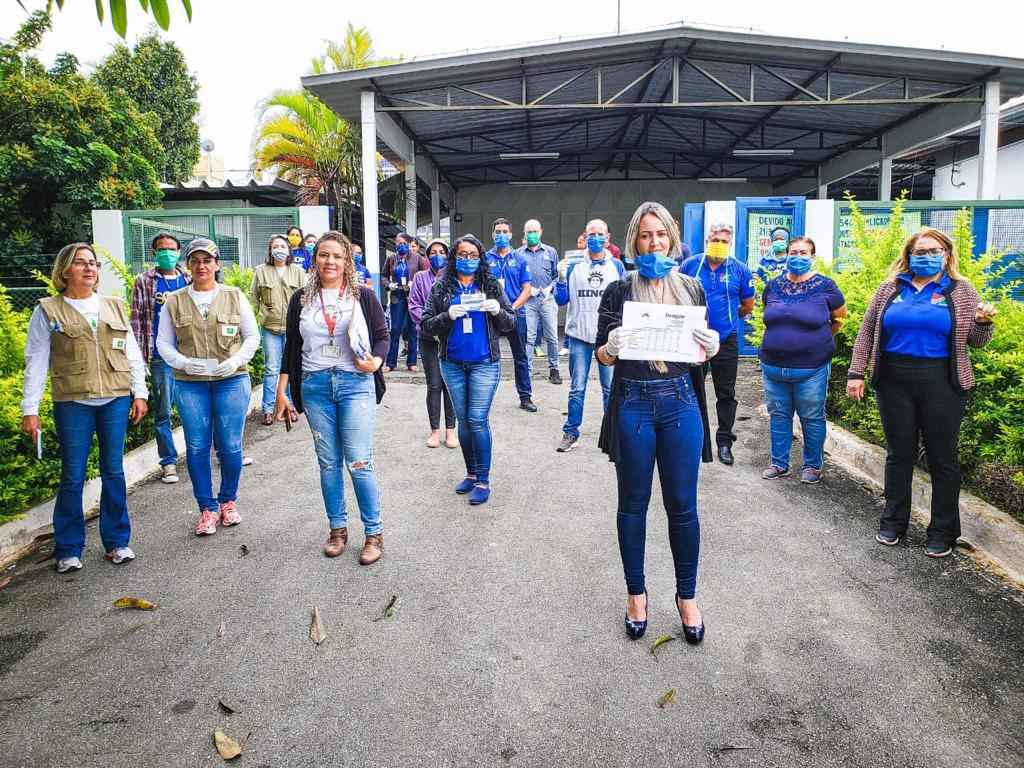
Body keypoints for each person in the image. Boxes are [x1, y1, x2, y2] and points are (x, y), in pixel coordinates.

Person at [594, 201, 720, 644]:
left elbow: (703, 355)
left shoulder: (691, 288)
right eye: (646, 236)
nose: (654, 243)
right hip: (633, 403)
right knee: (632, 503)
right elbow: (602, 354)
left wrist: (713, 346)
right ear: (634, 241)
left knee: (683, 505)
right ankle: (636, 594)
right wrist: (611, 345)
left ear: (672, 238)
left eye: (660, 235)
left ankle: (687, 596)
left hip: (681, 404)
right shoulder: (618, 291)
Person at [847, 228, 996, 558]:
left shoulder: (961, 290)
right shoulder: (890, 288)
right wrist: (856, 373)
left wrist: (983, 323)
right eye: (920, 250)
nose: (926, 256)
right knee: (899, 454)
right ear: (908, 254)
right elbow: (867, 332)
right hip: (894, 380)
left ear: (946, 254)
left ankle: (943, 530)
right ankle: (893, 522)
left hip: (942, 381)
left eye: (934, 250)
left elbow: (976, 341)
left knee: (942, 457)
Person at [22, 243, 149, 573]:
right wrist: (29, 409)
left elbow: (131, 353)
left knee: (114, 471)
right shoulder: (48, 310)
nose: (89, 269)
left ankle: (118, 542)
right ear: (65, 271)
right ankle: (68, 548)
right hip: (73, 401)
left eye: (93, 264)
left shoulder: (114, 306)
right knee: (73, 475)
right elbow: (36, 361)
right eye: (80, 263)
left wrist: (140, 392)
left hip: (115, 399)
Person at [276, 231, 389, 563]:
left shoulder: (363, 296)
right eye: (324, 255)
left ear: (347, 262)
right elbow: (291, 349)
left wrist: (377, 361)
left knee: (358, 461)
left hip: (355, 383)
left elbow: (382, 336)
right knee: (328, 464)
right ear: (315, 259)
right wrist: (282, 391)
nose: (330, 262)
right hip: (315, 386)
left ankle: (374, 534)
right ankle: (337, 530)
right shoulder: (301, 299)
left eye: (337, 256)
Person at [157, 238, 260, 537]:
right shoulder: (174, 300)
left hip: (231, 379)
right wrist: (183, 362)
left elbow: (251, 336)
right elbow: (163, 342)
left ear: (217, 264)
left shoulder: (234, 295)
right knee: (197, 446)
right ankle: (207, 508)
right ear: (187, 265)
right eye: (195, 261)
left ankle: (227, 501)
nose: (201, 266)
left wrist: (237, 359)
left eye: (207, 260)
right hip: (191, 384)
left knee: (230, 446)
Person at [422, 234, 516, 506]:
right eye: (462, 255)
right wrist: (446, 316)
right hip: (452, 363)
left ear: (480, 258)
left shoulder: (490, 285)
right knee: (463, 420)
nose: (467, 260)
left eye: (473, 255)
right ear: (454, 258)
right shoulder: (442, 287)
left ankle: (484, 480)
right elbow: (426, 325)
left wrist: (497, 310)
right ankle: (472, 473)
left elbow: (511, 323)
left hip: (485, 364)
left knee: (476, 419)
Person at [759, 236, 847, 484]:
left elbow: (839, 318)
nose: (798, 257)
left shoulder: (826, 286)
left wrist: (817, 340)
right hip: (773, 367)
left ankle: (812, 465)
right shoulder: (773, 286)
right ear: (786, 255)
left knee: (811, 417)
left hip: (812, 368)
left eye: (803, 253)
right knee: (778, 415)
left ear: (813, 257)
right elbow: (769, 314)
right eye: (793, 252)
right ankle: (779, 463)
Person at [679, 223, 755, 466]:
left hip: (726, 339)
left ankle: (724, 442)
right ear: (707, 240)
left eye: (724, 241)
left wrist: (728, 321)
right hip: (692, 338)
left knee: (726, 392)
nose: (719, 244)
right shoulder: (690, 265)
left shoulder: (740, 270)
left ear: (730, 244)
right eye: (715, 239)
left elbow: (747, 305)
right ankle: (695, 441)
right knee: (691, 390)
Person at [554, 218, 624, 452]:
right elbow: (561, 300)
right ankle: (571, 432)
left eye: (599, 234)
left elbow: (624, 300)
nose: (595, 239)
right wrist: (561, 279)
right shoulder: (573, 264)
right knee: (577, 388)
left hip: (607, 338)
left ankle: (612, 433)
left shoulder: (617, 266)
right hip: (579, 336)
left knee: (610, 388)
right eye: (590, 234)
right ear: (584, 237)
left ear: (608, 238)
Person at [130, 232, 190, 484]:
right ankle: (168, 463)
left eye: (171, 249)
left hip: (189, 354)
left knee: (198, 408)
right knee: (164, 411)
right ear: (154, 253)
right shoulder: (144, 281)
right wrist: (138, 358)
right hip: (160, 356)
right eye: (161, 249)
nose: (167, 253)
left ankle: (215, 453)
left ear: (178, 252)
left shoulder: (187, 278)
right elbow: (136, 319)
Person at [409, 238, 458, 449]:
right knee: (434, 384)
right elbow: (414, 306)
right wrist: (432, 325)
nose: (437, 255)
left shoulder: (454, 278)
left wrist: (445, 325)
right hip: (428, 339)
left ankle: (451, 431)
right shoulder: (420, 277)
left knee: (450, 385)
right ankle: (434, 431)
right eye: (433, 252)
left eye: (441, 251)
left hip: (451, 339)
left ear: (448, 255)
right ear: (427, 256)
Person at [251, 234, 305, 425]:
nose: (279, 249)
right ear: (270, 250)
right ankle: (268, 408)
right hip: (270, 328)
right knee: (272, 368)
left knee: (290, 367)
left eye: (283, 246)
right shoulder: (261, 271)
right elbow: (253, 299)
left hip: (293, 329)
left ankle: (289, 406)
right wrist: (253, 325)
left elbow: (305, 299)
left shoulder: (298, 272)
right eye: (276, 246)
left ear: (289, 250)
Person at [485, 218, 535, 411]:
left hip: (516, 314)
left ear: (511, 235)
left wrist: (511, 308)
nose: (501, 235)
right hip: (491, 315)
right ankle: (485, 397)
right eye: (498, 232)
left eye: (505, 231)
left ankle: (525, 397)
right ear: (493, 235)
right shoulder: (486, 259)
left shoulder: (520, 259)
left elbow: (527, 289)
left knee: (521, 357)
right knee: (489, 356)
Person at [517, 219, 562, 385]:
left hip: (547, 299)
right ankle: (526, 372)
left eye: (535, 231)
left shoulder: (550, 252)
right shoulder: (518, 254)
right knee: (528, 338)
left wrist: (551, 287)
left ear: (541, 232)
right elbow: (516, 278)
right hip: (527, 301)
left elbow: (557, 275)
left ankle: (554, 369)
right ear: (524, 233)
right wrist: (528, 290)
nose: (532, 235)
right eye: (529, 232)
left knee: (552, 336)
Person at [382, 233, 427, 372]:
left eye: (403, 243)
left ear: (408, 243)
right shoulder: (391, 259)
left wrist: (416, 283)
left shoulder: (417, 258)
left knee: (413, 329)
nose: (400, 245)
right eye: (397, 242)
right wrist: (389, 285)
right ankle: (390, 363)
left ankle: (412, 362)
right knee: (395, 329)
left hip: (413, 297)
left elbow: (425, 275)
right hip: (397, 296)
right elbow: (383, 276)